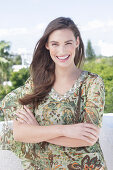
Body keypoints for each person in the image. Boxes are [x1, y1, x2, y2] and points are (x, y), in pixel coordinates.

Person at [0, 17, 107, 170]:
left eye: (68, 43)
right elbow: (20, 133)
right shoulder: (34, 83)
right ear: (47, 46)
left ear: (77, 42)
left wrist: (38, 132)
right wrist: (65, 130)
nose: (62, 51)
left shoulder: (93, 83)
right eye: (55, 44)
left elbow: (88, 138)